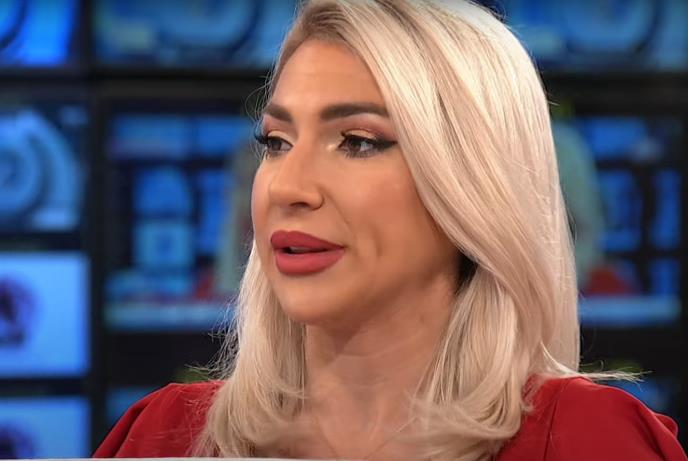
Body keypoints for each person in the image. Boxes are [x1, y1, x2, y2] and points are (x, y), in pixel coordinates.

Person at [93, 1, 688, 460]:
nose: (285, 186)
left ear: (472, 185)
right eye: (276, 142)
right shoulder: (164, 436)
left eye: (357, 141)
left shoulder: (589, 439)